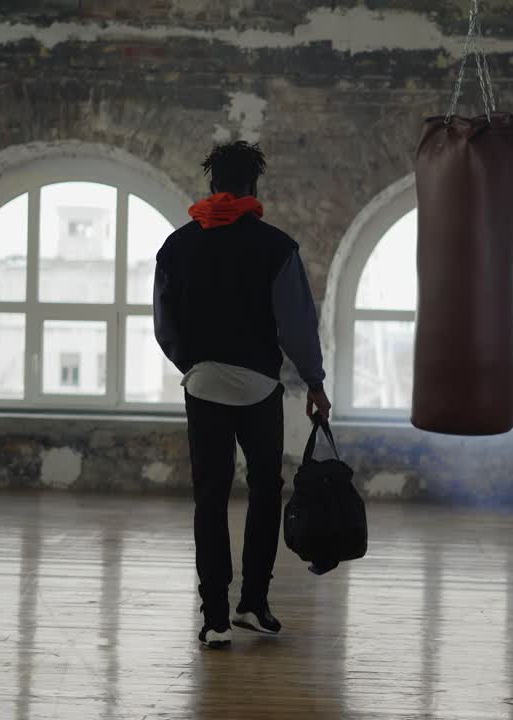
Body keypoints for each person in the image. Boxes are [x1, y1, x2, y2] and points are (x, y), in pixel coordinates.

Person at [154, 141, 331, 649]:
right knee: (265, 490)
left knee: (209, 496)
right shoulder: (277, 247)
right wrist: (315, 383)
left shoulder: (177, 246)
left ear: (212, 186)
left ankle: (213, 618)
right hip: (259, 387)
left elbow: (165, 325)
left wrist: (193, 365)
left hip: (204, 384)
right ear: (254, 188)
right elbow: (297, 326)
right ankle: (253, 602)